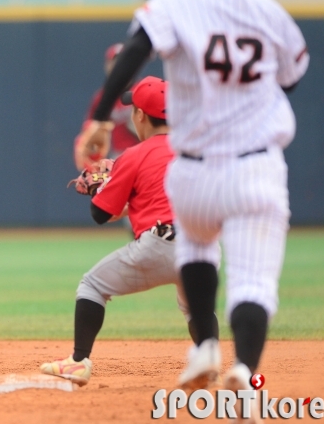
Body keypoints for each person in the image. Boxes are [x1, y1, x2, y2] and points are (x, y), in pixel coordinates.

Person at [74, 0, 309, 424]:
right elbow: (292, 75)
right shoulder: (267, 11)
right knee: (251, 281)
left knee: (196, 248)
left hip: (195, 171)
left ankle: (202, 347)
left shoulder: (171, 8)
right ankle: (243, 369)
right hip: (255, 168)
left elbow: (133, 53)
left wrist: (97, 118)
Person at [41, 77, 217, 386]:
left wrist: (103, 186)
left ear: (139, 116)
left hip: (159, 244)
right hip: (202, 246)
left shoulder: (135, 155)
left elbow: (100, 214)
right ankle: (208, 359)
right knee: (194, 305)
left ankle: (78, 362)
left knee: (92, 286)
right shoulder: (194, 149)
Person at [73, 43, 139, 171]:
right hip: (115, 159)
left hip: (142, 156)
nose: (119, 66)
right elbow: (88, 132)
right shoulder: (101, 98)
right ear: (107, 66)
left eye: (123, 61)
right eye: (114, 62)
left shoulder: (144, 89)